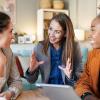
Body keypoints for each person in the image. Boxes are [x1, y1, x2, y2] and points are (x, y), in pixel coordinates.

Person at [25, 13, 82, 86]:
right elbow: (31, 81)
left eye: (57, 32)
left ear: (65, 33)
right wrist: (31, 70)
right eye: (50, 29)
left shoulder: (74, 47)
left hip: (67, 91)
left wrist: (69, 77)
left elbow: (80, 77)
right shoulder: (39, 47)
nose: (51, 34)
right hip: (47, 92)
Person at [75, 14, 100, 100]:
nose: (89, 35)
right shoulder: (92, 55)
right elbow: (83, 81)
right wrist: (87, 96)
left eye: (93, 30)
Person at [0, 12, 22, 100]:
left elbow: (16, 81)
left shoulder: (8, 52)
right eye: (10, 31)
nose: (13, 37)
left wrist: (11, 93)